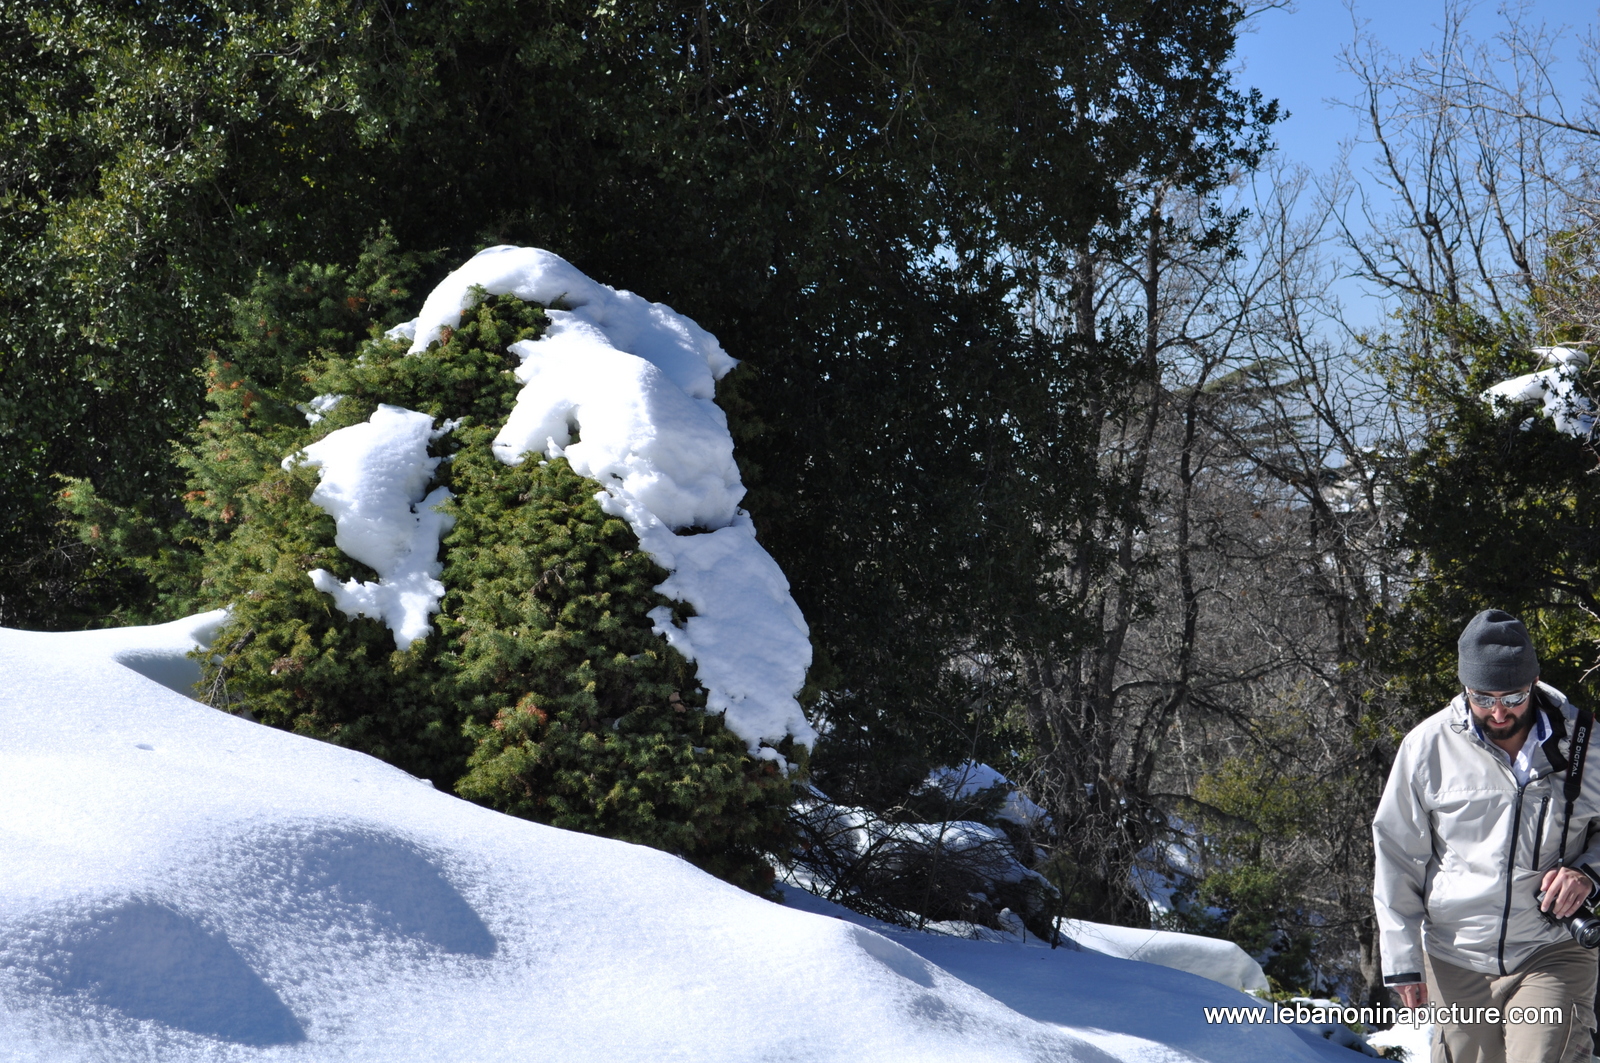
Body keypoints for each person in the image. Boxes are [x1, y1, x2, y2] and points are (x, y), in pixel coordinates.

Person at [1374, 609, 1600, 1063]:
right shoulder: (1426, 747)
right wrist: (1402, 961)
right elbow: (1397, 854)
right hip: (1455, 955)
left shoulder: (1588, 744)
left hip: (1551, 949)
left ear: (1534, 681)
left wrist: (1588, 874)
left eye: (1513, 696)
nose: (1499, 712)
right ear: (1464, 687)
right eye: (1483, 697)